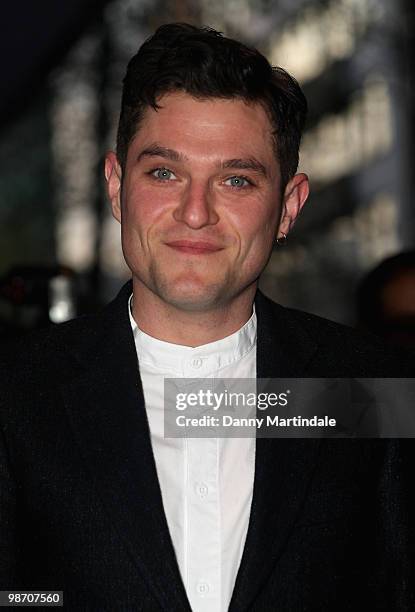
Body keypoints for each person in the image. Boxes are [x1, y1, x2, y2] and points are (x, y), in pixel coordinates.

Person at [1, 23, 414, 612]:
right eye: (164, 173)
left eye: (236, 179)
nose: (195, 213)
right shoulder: (17, 395)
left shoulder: (372, 391)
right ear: (117, 187)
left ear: (288, 208)